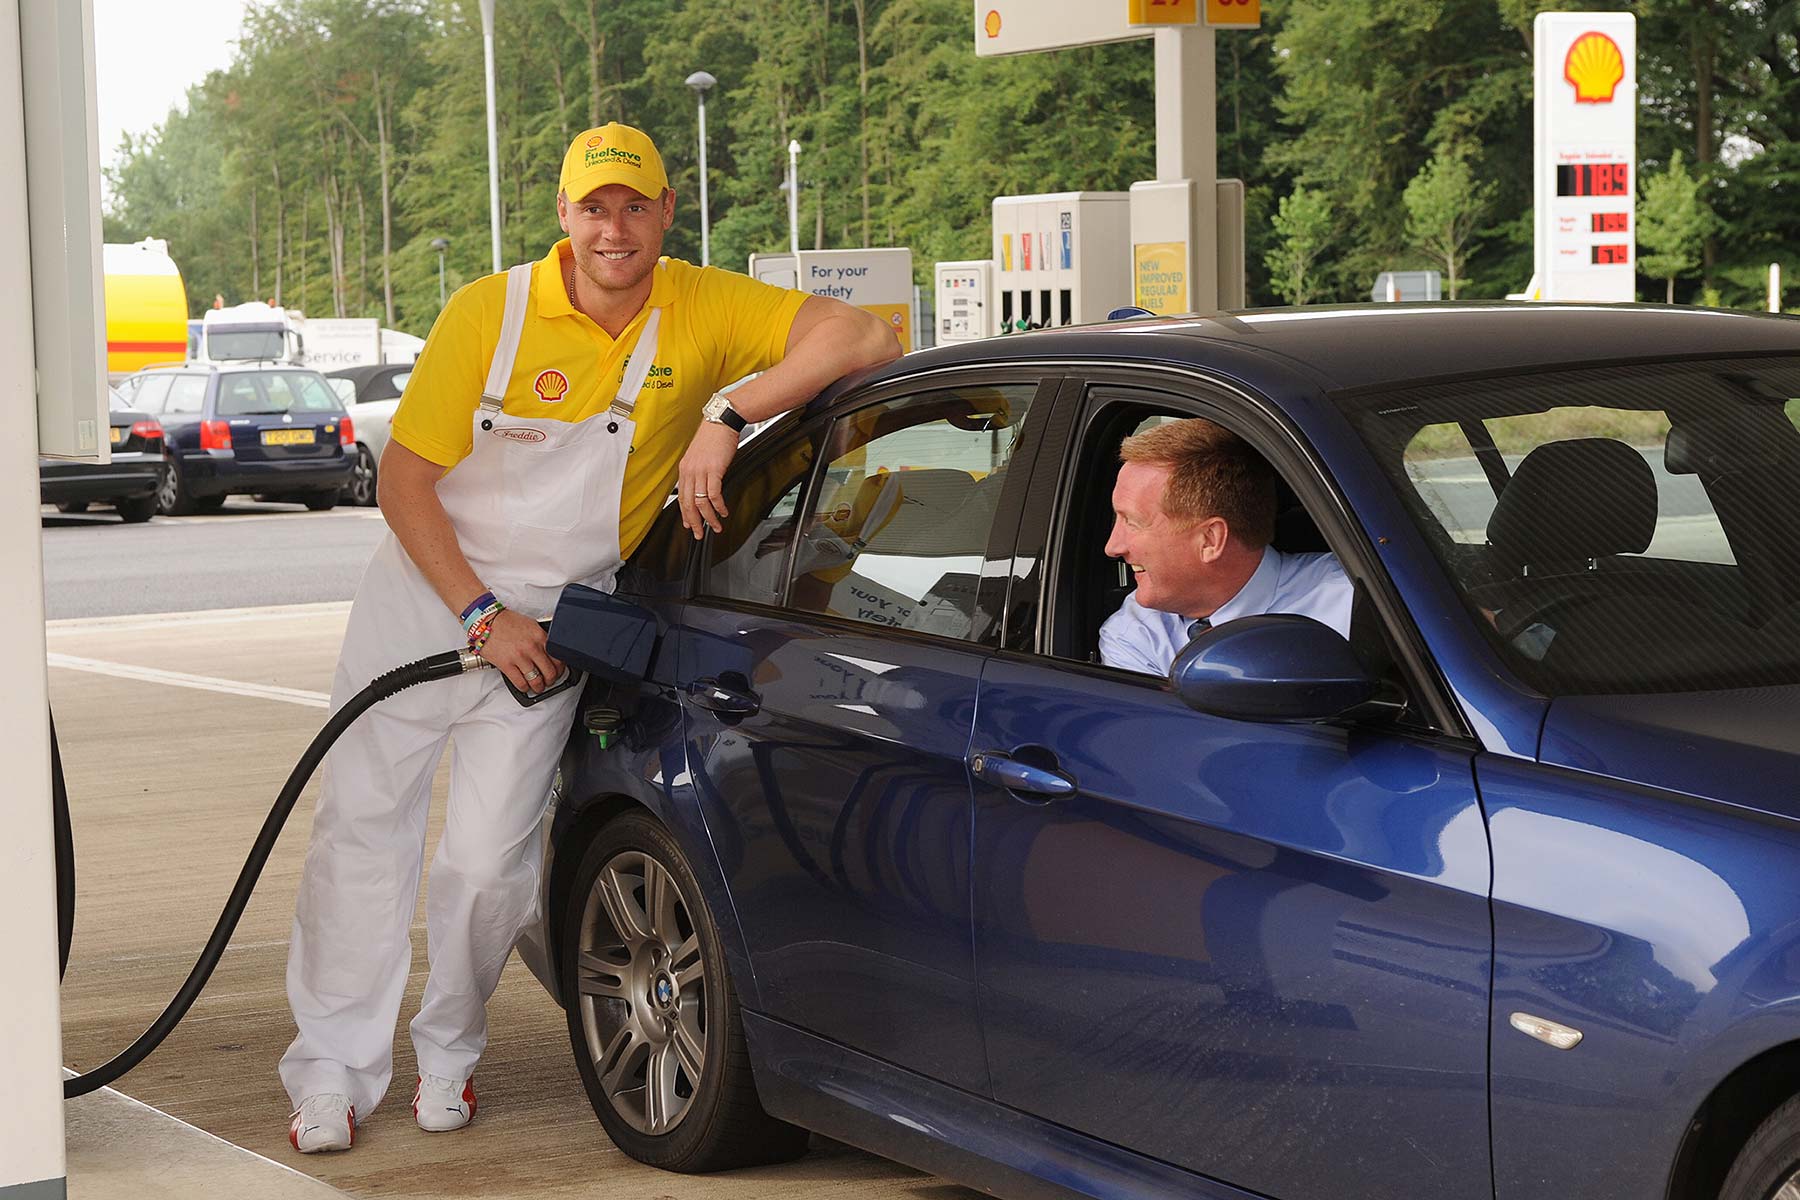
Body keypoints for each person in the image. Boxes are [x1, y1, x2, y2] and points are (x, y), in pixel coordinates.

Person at [280, 121, 900, 1154]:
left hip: (554, 635)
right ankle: (331, 1076)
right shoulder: (494, 310)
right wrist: (480, 615)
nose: (615, 228)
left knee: (489, 867)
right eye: (594, 208)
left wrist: (728, 412)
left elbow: (866, 340)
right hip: (431, 604)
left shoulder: (699, 303)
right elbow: (403, 482)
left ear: (664, 212)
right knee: (361, 837)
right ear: (563, 216)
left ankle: (449, 1057)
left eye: (635, 205)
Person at [1099, 418, 1353, 676]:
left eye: (1132, 522)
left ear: (1210, 539)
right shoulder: (1135, 634)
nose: (1113, 546)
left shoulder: (1352, 606)